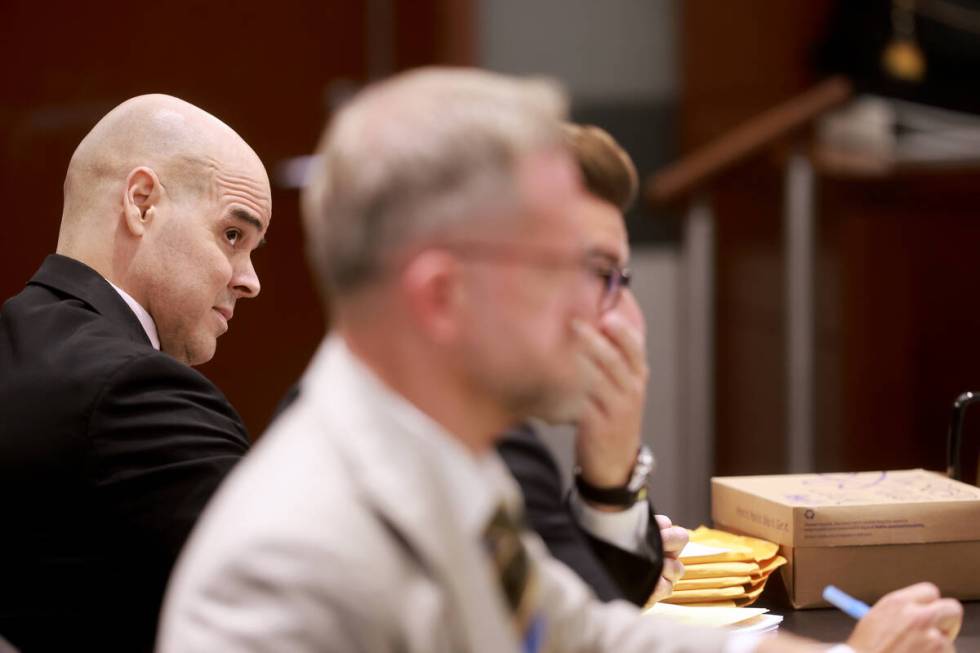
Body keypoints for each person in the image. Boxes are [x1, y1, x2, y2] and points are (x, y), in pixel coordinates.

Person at [157, 68, 961, 653]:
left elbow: (582, 638)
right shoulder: (290, 568)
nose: (603, 313)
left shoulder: (444, 462)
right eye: (564, 270)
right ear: (443, 296)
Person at [0, 94, 271, 651]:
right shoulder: (133, 392)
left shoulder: (16, 345)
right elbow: (298, 605)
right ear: (142, 203)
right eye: (232, 235)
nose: (249, 280)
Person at [497, 122, 684, 606]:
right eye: (601, 274)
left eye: (622, 279)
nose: (629, 317)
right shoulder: (473, 453)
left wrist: (609, 482)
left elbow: (570, 618)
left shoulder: (497, 442)